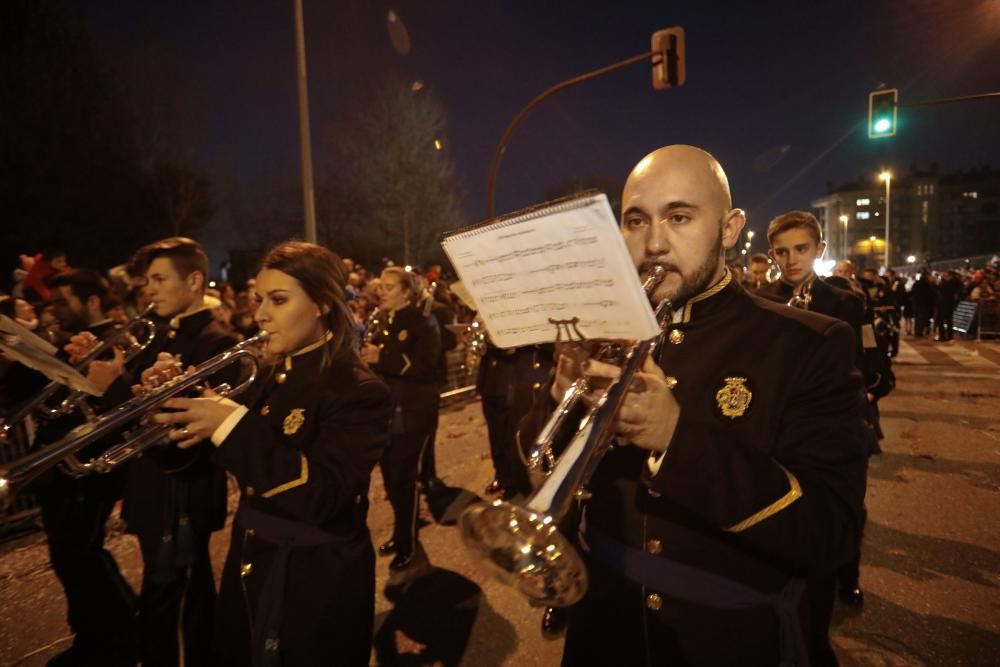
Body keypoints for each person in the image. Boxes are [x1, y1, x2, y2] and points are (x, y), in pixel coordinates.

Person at [529, 145, 867, 666]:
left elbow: (831, 532)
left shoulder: (809, 342)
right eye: (636, 220)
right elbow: (542, 482)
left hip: (728, 640)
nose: (655, 242)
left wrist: (675, 436)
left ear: (729, 229)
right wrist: (559, 403)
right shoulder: (604, 333)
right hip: (604, 631)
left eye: (680, 217)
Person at [151, 241, 392, 666]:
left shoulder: (359, 390)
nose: (260, 314)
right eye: (259, 299)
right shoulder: (267, 375)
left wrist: (229, 425)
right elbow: (199, 464)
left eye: (278, 300)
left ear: (321, 304)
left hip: (315, 577)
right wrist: (172, 412)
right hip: (251, 558)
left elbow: (324, 496)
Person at [97, 237, 236, 667]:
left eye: (159, 279)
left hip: (182, 497)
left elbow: (177, 438)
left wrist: (114, 387)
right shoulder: (160, 335)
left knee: (172, 608)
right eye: (147, 281)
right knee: (181, 600)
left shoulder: (216, 343)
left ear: (194, 281)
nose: (149, 290)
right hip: (153, 496)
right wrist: (99, 378)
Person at [361, 266, 441, 578]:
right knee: (392, 479)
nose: (383, 291)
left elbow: (425, 367)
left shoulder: (423, 323)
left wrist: (382, 358)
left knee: (404, 480)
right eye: (381, 285)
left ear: (407, 292)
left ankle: (408, 544)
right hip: (385, 413)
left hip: (412, 414)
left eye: (391, 287)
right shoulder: (382, 322)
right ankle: (399, 533)